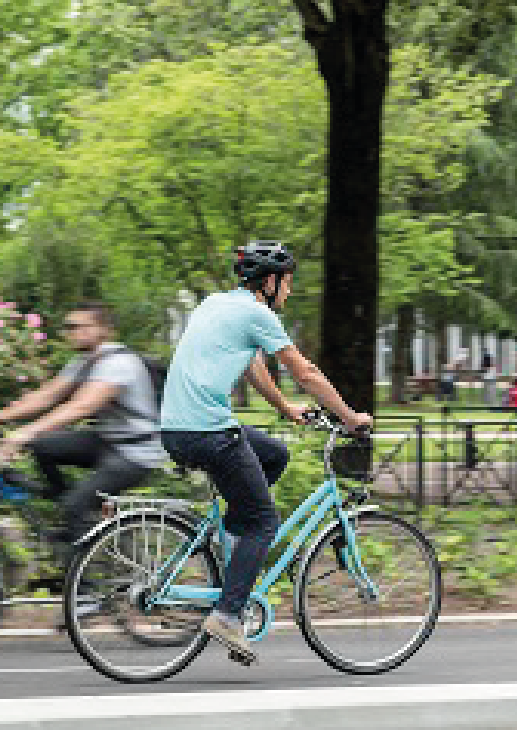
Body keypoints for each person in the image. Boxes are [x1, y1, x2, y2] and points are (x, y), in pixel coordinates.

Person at [159, 240, 372, 665]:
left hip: (177, 427)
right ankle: (227, 613)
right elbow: (305, 372)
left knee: (274, 455)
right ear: (270, 282)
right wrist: (349, 417)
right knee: (264, 521)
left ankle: (234, 551)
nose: (289, 292)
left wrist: (285, 408)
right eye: (288, 283)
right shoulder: (257, 313)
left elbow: (251, 364)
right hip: (208, 431)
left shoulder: (217, 304)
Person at [0, 301, 164, 554]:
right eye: (68, 327)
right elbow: (46, 397)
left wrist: (25, 431)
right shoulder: (84, 361)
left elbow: (80, 407)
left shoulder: (119, 364)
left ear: (104, 330)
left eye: (78, 327)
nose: (71, 332)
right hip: (107, 442)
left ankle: (84, 587)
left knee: (75, 505)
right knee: (42, 446)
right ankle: (71, 512)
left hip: (136, 454)